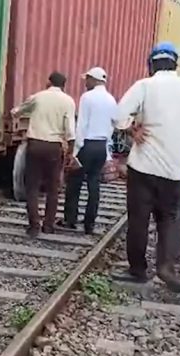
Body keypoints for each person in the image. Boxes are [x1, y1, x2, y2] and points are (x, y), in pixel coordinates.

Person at [112, 42, 180, 293]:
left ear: (152, 64)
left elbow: (118, 115)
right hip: (174, 168)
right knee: (167, 219)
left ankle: (138, 270)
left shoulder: (145, 85)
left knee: (138, 219)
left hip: (144, 166)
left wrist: (130, 128)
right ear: (175, 64)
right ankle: (165, 266)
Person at [11, 71, 76, 237]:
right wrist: (70, 150)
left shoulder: (38, 97)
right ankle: (48, 225)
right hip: (54, 148)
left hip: (35, 145)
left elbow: (16, 111)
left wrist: (21, 115)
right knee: (53, 188)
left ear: (49, 82)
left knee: (32, 186)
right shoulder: (68, 101)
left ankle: (34, 226)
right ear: (64, 85)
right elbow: (70, 130)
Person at [62, 67, 117, 235]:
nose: (85, 83)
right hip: (101, 146)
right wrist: (107, 151)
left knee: (74, 182)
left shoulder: (87, 97)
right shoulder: (111, 99)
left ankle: (70, 220)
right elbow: (112, 125)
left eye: (87, 79)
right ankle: (89, 224)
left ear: (93, 79)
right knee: (94, 183)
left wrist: (76, 151)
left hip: (87, 144)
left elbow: (82, 125)